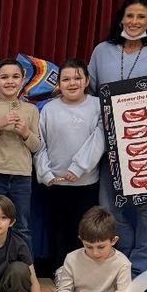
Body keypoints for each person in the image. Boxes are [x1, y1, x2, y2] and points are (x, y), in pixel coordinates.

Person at [87, 0, 147, 277]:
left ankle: (141, 268)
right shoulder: (102, 50)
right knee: (109, 207)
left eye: (141, 17)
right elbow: (89, 89)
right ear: (121, 18)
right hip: (110, 143)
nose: (134, 21)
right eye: (130, 15)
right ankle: (121, 261)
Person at [34, 59, 104, 272]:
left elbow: (98, 140)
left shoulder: (97, 106)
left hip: (86, 183)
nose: (71, 83)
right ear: (59, 83)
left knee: (84, 232)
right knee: (59, 232)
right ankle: (61, 272)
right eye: (66, 79)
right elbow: (39, 144)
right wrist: (45, 173)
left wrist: (78, 167)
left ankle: (83, 273)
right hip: (56, 184)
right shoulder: (49, 109)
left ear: (86, 81)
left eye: (77, 78)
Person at [34, 207, 131, 292]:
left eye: (101, 247)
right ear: (81, 240)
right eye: (88, 246)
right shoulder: (72, 257)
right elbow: (62, 290)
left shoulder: (122, 263)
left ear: (113, 240)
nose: (95, 252)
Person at [0, 58, 41, 254]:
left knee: (21, 225)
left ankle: (26, 273)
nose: (10, 81)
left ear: (23, 80)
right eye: (4, 77)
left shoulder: (30, 109)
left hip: (21, 175)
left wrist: (24, 132)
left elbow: (36, 146)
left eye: (15, 77)